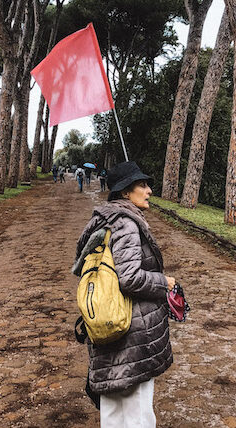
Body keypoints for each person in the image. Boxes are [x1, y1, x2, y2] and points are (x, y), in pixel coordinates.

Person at [73, 161, 175, 427]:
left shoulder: (101, 222)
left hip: (108, 323)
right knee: (137, 411)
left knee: (114, 410)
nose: (149, 190)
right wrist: (165, 282)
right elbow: (129, 277)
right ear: (125, 193)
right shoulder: (127, 224)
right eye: (142, 185)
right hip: (132, 333)